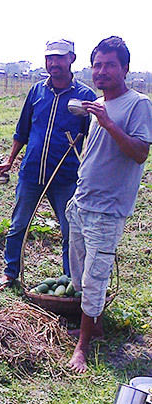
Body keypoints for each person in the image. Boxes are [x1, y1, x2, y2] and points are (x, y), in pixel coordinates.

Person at [65, 36, 152, 373]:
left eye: (109, 65)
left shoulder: (138, 104)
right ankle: (95, 326)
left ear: (125, 69)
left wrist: (109, 123)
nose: (101, 71)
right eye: (97, 65)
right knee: (79, 274)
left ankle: (83, 346)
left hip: (107, 209)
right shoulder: (98, 103)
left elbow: (140, 153)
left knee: (95, 277)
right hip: (82, 201)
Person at [0, 39, 97, 290]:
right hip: (31, 171)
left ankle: (70, 280)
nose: (54, 63)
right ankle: (10, 273)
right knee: (19, 224)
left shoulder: (85, 97)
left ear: (71, 59)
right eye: (50, 58)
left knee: (70, 229)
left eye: (59, 58)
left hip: (66, 176)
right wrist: (10, 160)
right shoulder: (37, 91)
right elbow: (23, 130)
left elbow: (94, 138)